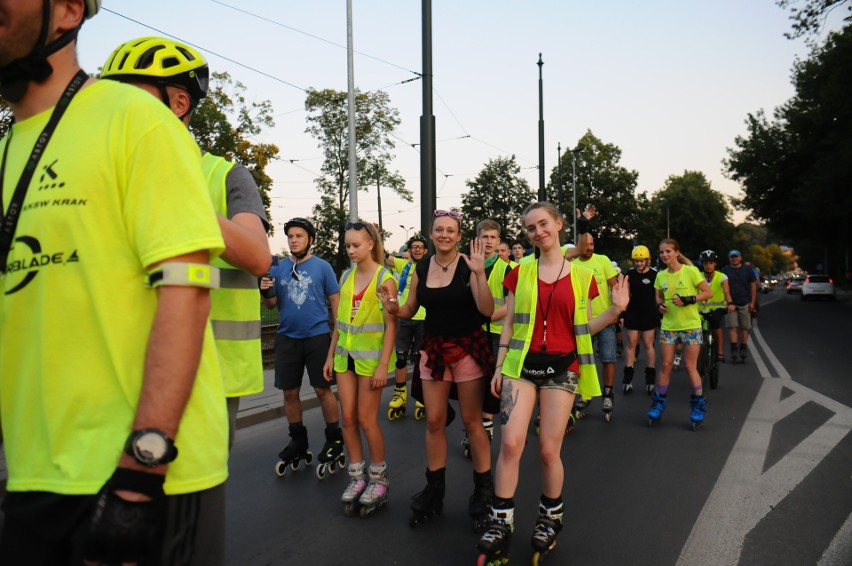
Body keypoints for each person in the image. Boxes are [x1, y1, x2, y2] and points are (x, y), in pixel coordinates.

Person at [0, 2, 229, 564]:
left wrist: (140, 473)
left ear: (68, 10)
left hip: (143, 477)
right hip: (34, 473)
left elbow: (188, 287)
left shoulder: (135, 118)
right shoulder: (6, 149)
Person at [101, 36, 272, 449]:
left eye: (130, 96)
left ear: (178, 103)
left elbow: (257, 256)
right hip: (114, 366)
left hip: (211, 371)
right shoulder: (105, 172)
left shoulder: (226, 175)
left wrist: (175, 197)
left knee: (187, 504)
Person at [476, 202, 628, 564]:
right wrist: (499, 366)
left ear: (558, 224)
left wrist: (615, 310)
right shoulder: (520, 271)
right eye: (530, 228)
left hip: (563, 368)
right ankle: (501, 521)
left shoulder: (581, 276)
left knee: (547, 449)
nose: (538, 231)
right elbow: (510, 323)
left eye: (543, 224)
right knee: (511, 444)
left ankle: (550, 517)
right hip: (520, 366)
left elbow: (585, 328)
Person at [381, 209, 498, 532]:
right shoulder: (421, 266)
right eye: (439, 230)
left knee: (473, 422)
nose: (444, 234)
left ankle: (483, 490)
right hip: (433, 350)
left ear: (459, 236)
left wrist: (478, 274)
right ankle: (435, 487)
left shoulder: (469, 265)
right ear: (431, 235)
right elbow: (410, 308)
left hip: (467, 349)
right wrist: (393, 306)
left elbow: (487, 310)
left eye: (451, 230)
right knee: (434, 420)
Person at [259, 218, 343, 477]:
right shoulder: (279, 268)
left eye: (299, 236)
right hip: (287, 338)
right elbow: (272, 304)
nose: (294, 240)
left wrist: (335, 344)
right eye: (290, 236)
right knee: (289, 393)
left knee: (322, 389)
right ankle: (298, 440)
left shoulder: (323, 268)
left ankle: (334, 439)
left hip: (317, 336)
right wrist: (264, 291)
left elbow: (336, 307)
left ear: (310, 240)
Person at [325, 221, 397, 516]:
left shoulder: (385, 278)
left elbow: (393, 324)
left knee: (368, 420)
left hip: (370, 362)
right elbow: (339, 325)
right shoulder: (345, 277)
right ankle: (357, 477)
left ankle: (379, 480)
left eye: (356, 245)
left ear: (370, 244)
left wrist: (383, 366)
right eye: (347, 246)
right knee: (349, 419)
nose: (351, 250)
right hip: (345, 359)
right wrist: (330, 356)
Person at [648, 239, 713, 429]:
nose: (664, 255)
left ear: (677, 252)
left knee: (690, 366)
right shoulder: (660, 276)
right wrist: (659, 306)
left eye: (668, 251)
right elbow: (658, 297)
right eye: (661, 252)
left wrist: (689, 299)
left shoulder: (691, 271)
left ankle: (698, 405)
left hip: (691, 326)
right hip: (669, 325)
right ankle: (658, 404)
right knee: (666, 366)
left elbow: (707, 293)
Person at [571, 233, 619, 421]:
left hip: (605, 320)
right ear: (578, 245)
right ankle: (585, 395)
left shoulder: (603, 260)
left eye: (592, 244)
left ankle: (608, 395)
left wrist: (616, 312)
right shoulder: (573, 264)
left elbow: (615, 287)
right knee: (583, 361)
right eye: (585, 244)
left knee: (608, 358)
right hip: (583, 322)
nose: (589, 247)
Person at [386, 235, 428, 421]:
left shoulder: (430, 268)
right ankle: (400, 393)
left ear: (426, 250)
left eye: (420, 247)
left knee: (422, 361)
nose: (417, 250)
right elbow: (383, 255)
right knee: (401, 359)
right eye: (414, 247)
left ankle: (422, 395)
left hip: (425, 319)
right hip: (404, 317)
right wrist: (375, 236)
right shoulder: (404, 266)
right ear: (409, 251)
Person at [622, 245, 660, 394]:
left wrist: (660, 311)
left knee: (648, 344)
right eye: (636, 261)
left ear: (647, 260)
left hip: (649, 313)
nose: (639, 264)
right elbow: (627, 295)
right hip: (633, 313)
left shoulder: (654, 275)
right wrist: (622, 314)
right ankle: (628, 377)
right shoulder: (630, 274)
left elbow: (658, 296)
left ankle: (650, 377)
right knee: (631, 343)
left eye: (641, 261)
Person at [697, 250, 735, 362]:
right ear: (702, 264)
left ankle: (719, 351)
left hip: (717, 309)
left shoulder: (722, 277)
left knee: (716, 325)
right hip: (699, 310)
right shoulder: (697, 276)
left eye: (711, 263)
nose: (708, 266)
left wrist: (730, 303)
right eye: (705, 263)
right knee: (694, 330)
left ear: (715, 264)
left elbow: (726, 292)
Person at [722, 249, 757, 363]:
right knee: (732, 327)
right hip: (730, 303)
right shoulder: (725, 271)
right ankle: (733, 349)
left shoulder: (748, 270)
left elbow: (753, 286)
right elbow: (722, 288)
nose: (734, 259)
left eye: (736, 256)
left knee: (744, 327)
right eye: (732, 257)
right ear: (729, 258)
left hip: (745, 302)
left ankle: (743, 347)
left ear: (740, 257)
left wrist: (752, 303)